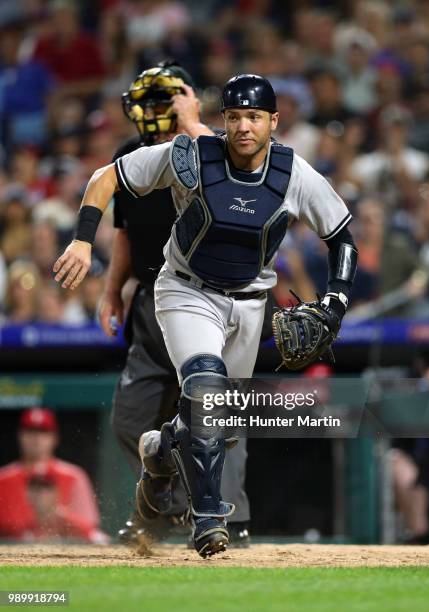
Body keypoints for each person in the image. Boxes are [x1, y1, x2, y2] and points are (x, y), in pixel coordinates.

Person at [53, 74, 358, 558]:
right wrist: (83, 239)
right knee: (204, 386)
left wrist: (337, 303)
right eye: (235, 116)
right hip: (185, 290)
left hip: (251, 304)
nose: (243, 126)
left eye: (254, 117)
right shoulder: (191, 155)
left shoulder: (293, 172)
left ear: (273, 122)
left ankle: (160, 450)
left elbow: (342, 235)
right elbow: (105, 177)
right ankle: (209, 519)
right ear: (223, 120)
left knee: (218, 425)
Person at [97, 61, 251, 545]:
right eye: (148, 101)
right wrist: (111, 289)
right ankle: (165, 508)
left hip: (208, 297)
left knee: (213, 413)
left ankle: (221, 517)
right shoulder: (129, 153)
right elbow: (124, 232)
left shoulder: (214, 148)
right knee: (130, 419)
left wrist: (192, 122)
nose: (152, 111)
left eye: (165, 100)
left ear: (188, 99)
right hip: (149, 301)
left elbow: (235, 181)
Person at [0, 407, 107, 543]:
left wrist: (61, 516)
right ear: (20, 435)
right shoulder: (2, 479)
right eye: (30, 431)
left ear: (54, 437)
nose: (36, 438)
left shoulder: (74, 475)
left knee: (100, 540)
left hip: (64, 556)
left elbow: (91, 530)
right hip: (11, 556)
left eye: (43, 432)